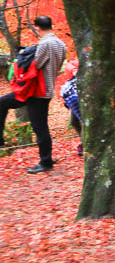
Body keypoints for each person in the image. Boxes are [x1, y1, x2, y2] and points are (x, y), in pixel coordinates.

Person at [0, 16, 66, 173]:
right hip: (47, 89)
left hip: (36, 90)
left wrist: (22, 59)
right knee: (41, 125)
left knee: (39, 126)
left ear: (37, 28)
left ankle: (46, 162)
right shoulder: (61, 44)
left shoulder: (44, 44)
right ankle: (47, 158)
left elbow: (35, 66)